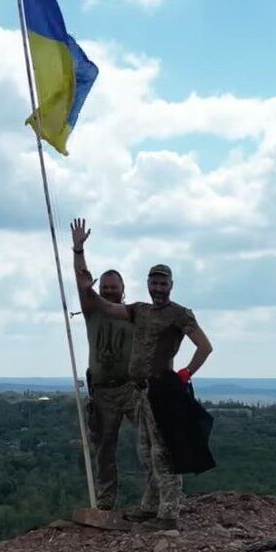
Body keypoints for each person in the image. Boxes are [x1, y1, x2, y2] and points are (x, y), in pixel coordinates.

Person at [71, 218, 212, 530]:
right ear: (147, 284)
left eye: (163, 283)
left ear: (170, 286)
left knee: (163, 452)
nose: (158, 287)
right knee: (147, 452)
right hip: (138, 390)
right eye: (154, 282)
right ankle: (150, 506)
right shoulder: (140, 311)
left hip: (161, 390)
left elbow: (205, 346)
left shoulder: (179, 314)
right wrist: (79, 255)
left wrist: (185, 374)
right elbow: (97, 302)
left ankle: (169, 513)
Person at [70, 219, 135, 512]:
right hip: (103, 392)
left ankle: (159, 499)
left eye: (114, 287)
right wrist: (79, 248)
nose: (109, 291)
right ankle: (106, 504)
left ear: (123, 289)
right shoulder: (92, 311)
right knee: (104, 449)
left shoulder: (133, 313)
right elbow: (82, 280)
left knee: (151, 442)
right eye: (105, 286)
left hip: (132, 389)